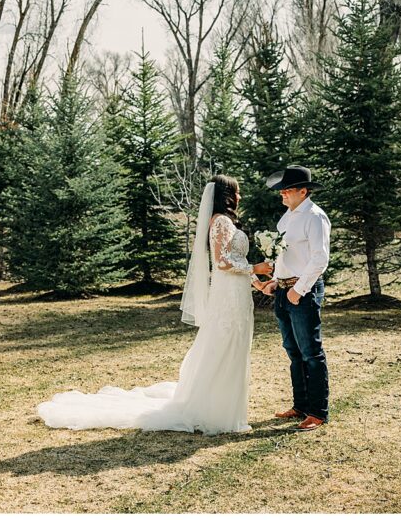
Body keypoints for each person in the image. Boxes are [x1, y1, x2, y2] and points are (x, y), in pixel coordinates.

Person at [37, 175, 274, 435]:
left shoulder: (227, 222)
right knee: (224, 348)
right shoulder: (220, 221)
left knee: (235, 347)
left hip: (237, 294)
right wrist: (256, 267)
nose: (239, 197)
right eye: (236, 192)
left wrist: (258, 282)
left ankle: (228, 410)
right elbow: (221, 263)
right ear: (227, 195)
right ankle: (217, 413)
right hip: (227, 297)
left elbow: (235, 259)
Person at [258, 165, 331, 432]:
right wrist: (276, 280)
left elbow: (319, 258)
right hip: (283, 290)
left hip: (304, 291)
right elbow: (284, 256)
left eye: (287, 190)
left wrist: (298, 290)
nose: (283, 195)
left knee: (311, 352)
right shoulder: (285, 219)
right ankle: (299, 405)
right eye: (282, 190)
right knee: (293, 351)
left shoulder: (315, 217)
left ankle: (317, 412)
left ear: (304, 191)